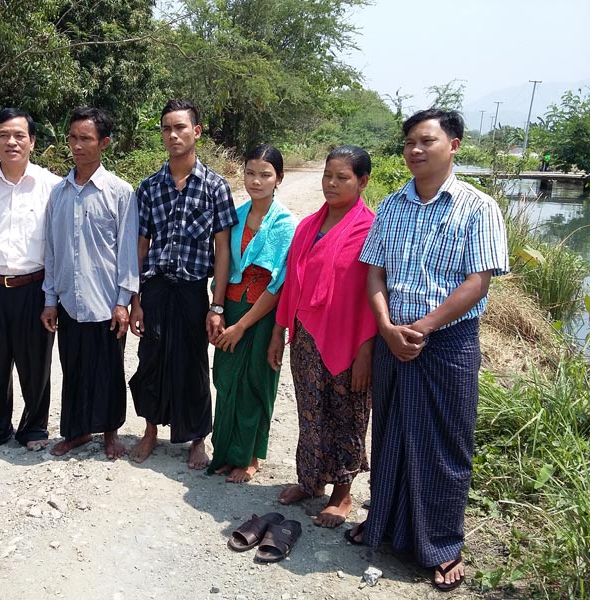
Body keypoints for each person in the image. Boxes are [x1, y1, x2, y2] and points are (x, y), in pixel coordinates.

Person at [348, 109, 508, 592]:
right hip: (394, 338)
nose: (415, 150)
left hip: (447, 343)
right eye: (409, 143)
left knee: (444, 444)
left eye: (427, 141)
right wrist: (386, 325)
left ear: (454, 145)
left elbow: (477, 282)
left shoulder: (477, 207)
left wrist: (422, 326)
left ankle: (442, 547)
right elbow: (375, 271)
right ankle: (384, 528)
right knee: (391, 433)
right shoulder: (394, 205)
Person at [267, 145, 378, 527]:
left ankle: (342, 496)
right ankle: (310, 481)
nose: (331, 184)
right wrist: (278, 334)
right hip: (305, 338)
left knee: (346, 415)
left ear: (362, 181)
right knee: (311, 412)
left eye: (342, 177)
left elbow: (373, 297)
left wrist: (366, 350)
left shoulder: (371, 229)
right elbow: (290, 287)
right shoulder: (308, 226)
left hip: (348, 340)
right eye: (327, 175)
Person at [128, 99, 238, 469]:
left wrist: (217, 304)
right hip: (156, 288)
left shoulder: (215, 188)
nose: (173, 135)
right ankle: (149, 429)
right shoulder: (149, 188)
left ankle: (196, 438)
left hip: (193, 290)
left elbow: (222, 250)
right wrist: (136, 300)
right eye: (166, 128)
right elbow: (140, 247)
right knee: (151, 359)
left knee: (193, 364)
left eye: (180, 127)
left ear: (197, 131)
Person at [40, 107, 138, 460]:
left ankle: (111, 433)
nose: (77, 146)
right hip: (69, 300)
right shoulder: (59, 193)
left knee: (109, 370)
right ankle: (77, 432)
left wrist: (123, 301)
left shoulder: (120, 192)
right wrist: (50, 299)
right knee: (74, 369)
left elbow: (128, 251)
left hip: (105, 300)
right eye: (72, 138)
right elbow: (51, 249)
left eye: (86, 139)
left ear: (104, 143)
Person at [0, 108, 61, 452]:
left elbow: (57, 241)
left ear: (32, 142)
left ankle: (34, 428)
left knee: (36, 362)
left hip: (34, 286)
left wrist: (53, 296)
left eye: (20, 135)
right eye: (4, 135)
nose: (12, 142)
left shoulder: (51, 186)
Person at [208, 145, 297, 483]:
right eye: (250, 173)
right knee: (227, 380)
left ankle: (249, 457)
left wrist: (242, 326)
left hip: (260, 316)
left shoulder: (286, 224)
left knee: (256, 383)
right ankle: (225, 453)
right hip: (230, 305)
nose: (256, 181)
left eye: (265, 174)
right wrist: (217, 309)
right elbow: (224, 265)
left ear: (279, 179)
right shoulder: (236, 216)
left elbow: (278, 284)